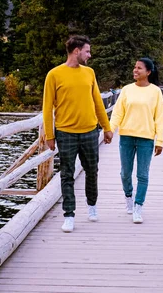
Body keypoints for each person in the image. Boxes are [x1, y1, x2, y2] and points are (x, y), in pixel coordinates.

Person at [43, 35, 113, 233]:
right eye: (87, 51)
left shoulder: (89, 73)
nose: (89, 55)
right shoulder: (54, 75)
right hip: (65, 133)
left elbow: (98, 102)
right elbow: (47, 108)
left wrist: (106, 128)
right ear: (76, 51)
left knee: (92, 171)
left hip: (90, 131)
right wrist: (50, 135)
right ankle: (69, 215)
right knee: (67, 174)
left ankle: (92, 205)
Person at [109, 57, 163, 224]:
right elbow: (118, 112)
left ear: (148, 72)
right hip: (126, 136)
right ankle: (128, 196)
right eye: (135, 67)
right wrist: (110, 130)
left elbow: (159, 118)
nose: (135, 70)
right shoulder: (126, 90)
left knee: (142, 174)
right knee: (125, 173)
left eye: (139, 68)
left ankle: (138, 206)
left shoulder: (155, 92)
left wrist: (159, 140)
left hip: (146, 138)